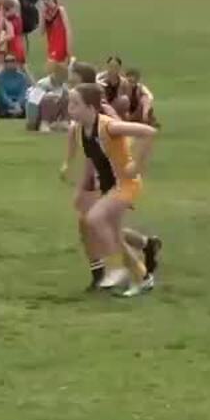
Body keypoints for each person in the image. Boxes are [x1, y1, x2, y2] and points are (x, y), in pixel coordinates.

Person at [63, 83, 158, 297]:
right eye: (70, 104)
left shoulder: (108, 127)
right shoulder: (79, 130)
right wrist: (80, 190)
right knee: (114, 236)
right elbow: (90, 159)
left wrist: (136, 166)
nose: (70, 109)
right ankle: (143, 278)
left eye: (75, 104)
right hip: (109, 187)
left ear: (91, 108)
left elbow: (149, 132)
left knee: (94, 219)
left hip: (126, 184)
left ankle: (116, 269)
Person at [25, 62, 71, 132]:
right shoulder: (42, 83)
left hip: (55, 115)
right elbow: (33, 101)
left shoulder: (63, 87)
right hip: (38, 115)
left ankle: (63, 122)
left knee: (66, 99)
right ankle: (44, 123)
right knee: (48, 100)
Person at [40, 0, 72, 69]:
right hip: (51, 44)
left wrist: (69, 48)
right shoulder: (45, 13)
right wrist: (42, 15)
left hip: (61, 44)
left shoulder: (60, 10)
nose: (45, 2)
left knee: (53, 68)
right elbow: (42, 32)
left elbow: (68, 29)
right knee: (57, 70)